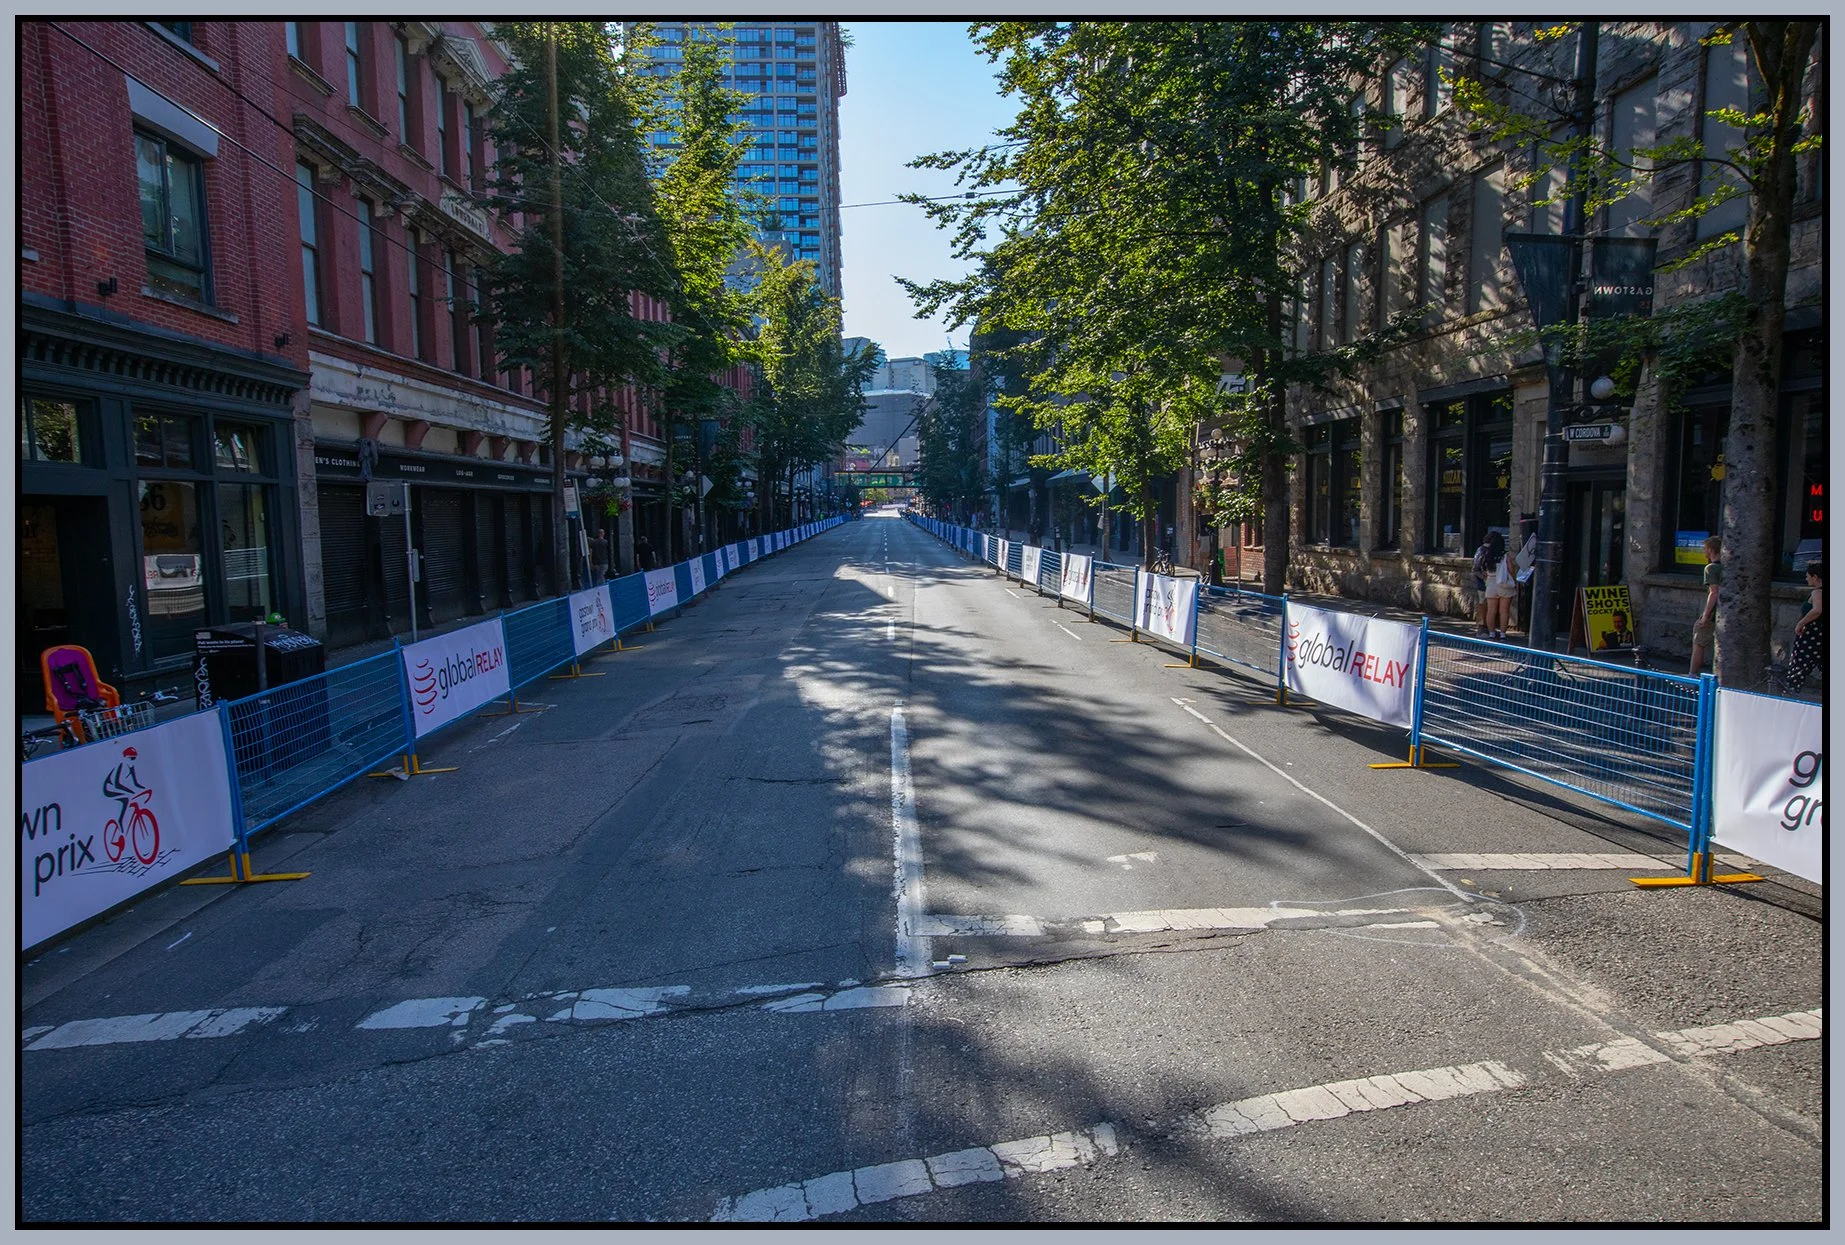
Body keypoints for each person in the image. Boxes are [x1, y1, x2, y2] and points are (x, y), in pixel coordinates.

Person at [1781, 560, 1824, 694]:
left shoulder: (1817, 592)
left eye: (1808, 576)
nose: (1806, 579)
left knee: (1798, 668)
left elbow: (1817, 610)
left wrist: (1801, 623)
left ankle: (1789, 694)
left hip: (1812, 636)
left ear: (1815, 577)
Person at [1689, 535, 1722, 678]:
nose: (1704, 551)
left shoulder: (1711, 568)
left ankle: (1692, 674)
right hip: (1724, 612)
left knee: (1699, 641)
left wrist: (1705, 616)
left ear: (1710, 550)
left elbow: (1714, 592)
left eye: (1705, 548)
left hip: (1714, 613)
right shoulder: (1726, 567)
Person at [1481, 531, 1517, 640]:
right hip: (1504, 583)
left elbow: (1483, 571)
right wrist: (1514, 581)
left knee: (1491, 610)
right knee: (1504, 611)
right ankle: (1502, 634)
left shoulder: (1487, 555)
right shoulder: (1505, 556)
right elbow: (1511, 570)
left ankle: (1491, 633)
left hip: (1491, 583)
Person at [1470, 535, 1494, 634]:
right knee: (1483, 604)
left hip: (1483, 582)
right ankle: (1481, 626)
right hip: (1484, 582)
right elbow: (1476, 569)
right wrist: (1485, 578)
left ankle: (1483, 625)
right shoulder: (1485, 551)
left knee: (1483, 604)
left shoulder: (1480, 550)